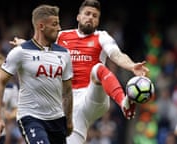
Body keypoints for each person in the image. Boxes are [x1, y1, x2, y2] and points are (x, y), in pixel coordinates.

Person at [11, 0, 149, 143]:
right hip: (69, 102)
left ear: (98, 21)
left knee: (98, 68)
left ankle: (124, 103)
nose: (90, 17)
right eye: (87, 14)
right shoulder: (61, 36)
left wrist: (132, 66)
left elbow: (117, 55)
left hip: (91, 95)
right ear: (78, 17)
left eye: (95, 16)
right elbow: (39, 45)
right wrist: (24, 44)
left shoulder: (102, 37)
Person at [0, 4, 73, 144]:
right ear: (41, 26)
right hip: (30, 117)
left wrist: (69, 120)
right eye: (54, 24)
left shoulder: (64, 54)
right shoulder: (20, 52)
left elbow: (67, 91)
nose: (59, 28)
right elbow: (0, 83)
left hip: (57, 119)